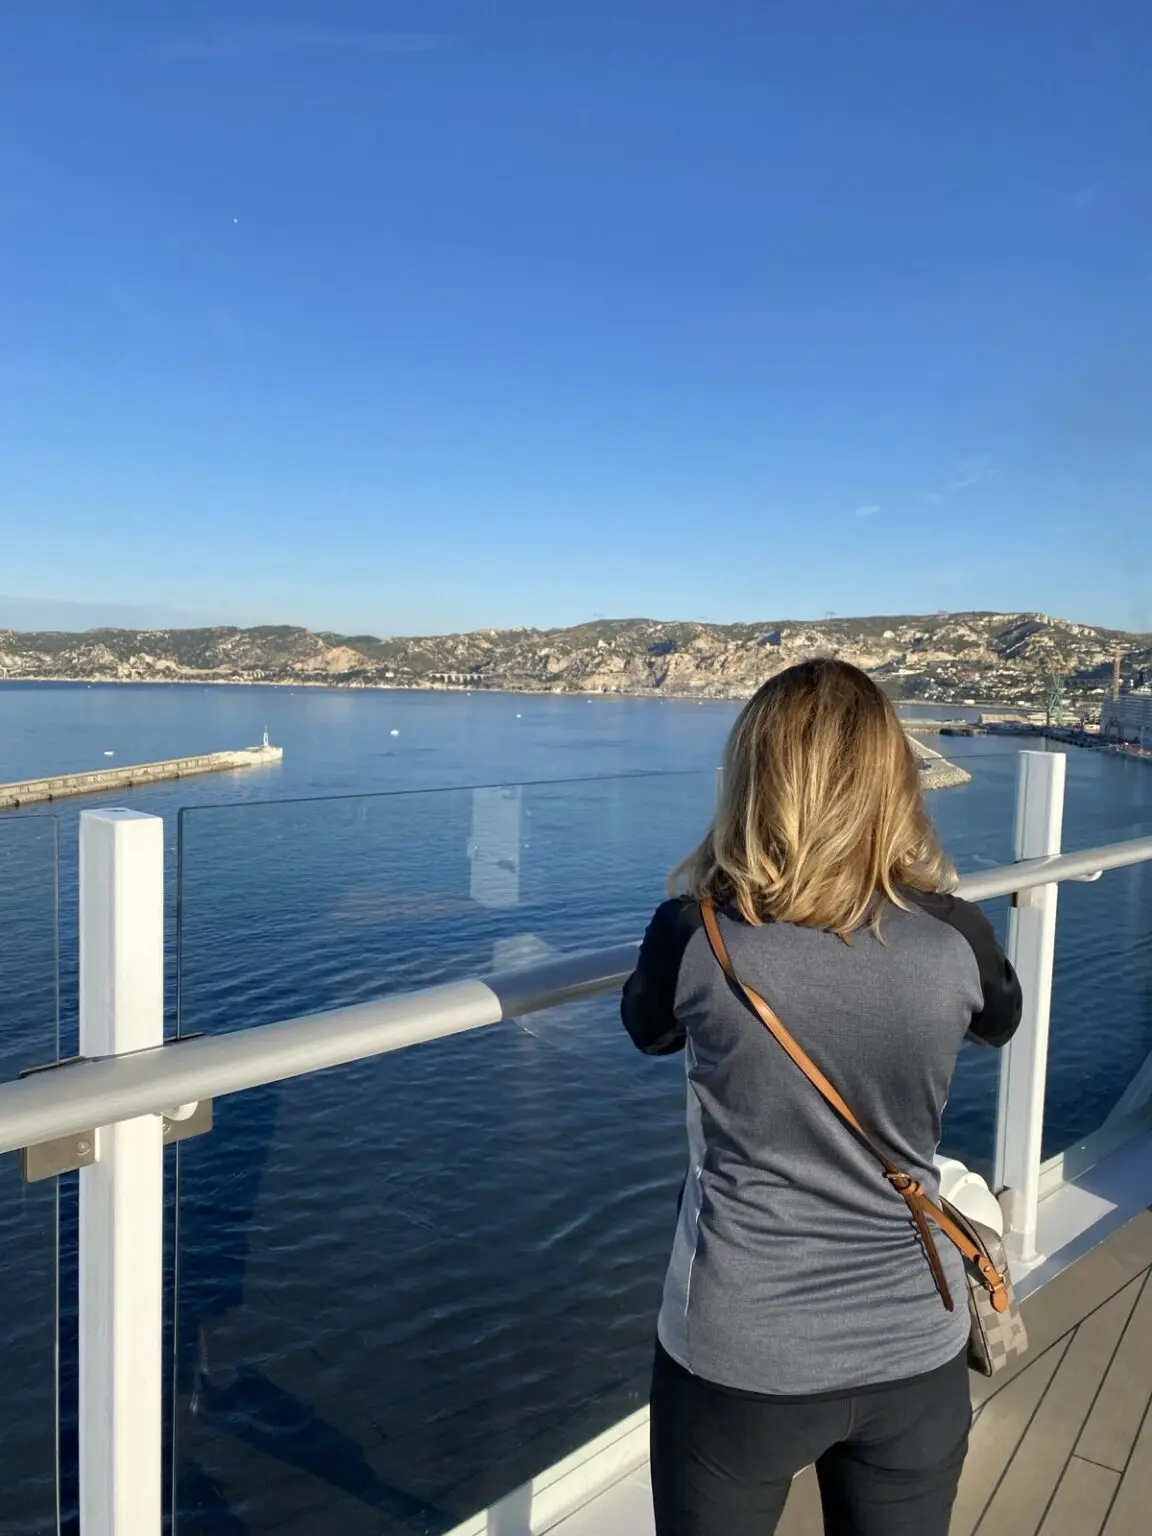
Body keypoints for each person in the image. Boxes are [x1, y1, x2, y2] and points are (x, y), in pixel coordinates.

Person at [621, 659, 1022, 1536]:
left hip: (738, 1350)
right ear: (892, 782)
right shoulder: (953, 936)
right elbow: (1000, 1022)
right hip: (917, 1338)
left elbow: (648, 1031)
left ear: (753, 779)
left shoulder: (697, 934)